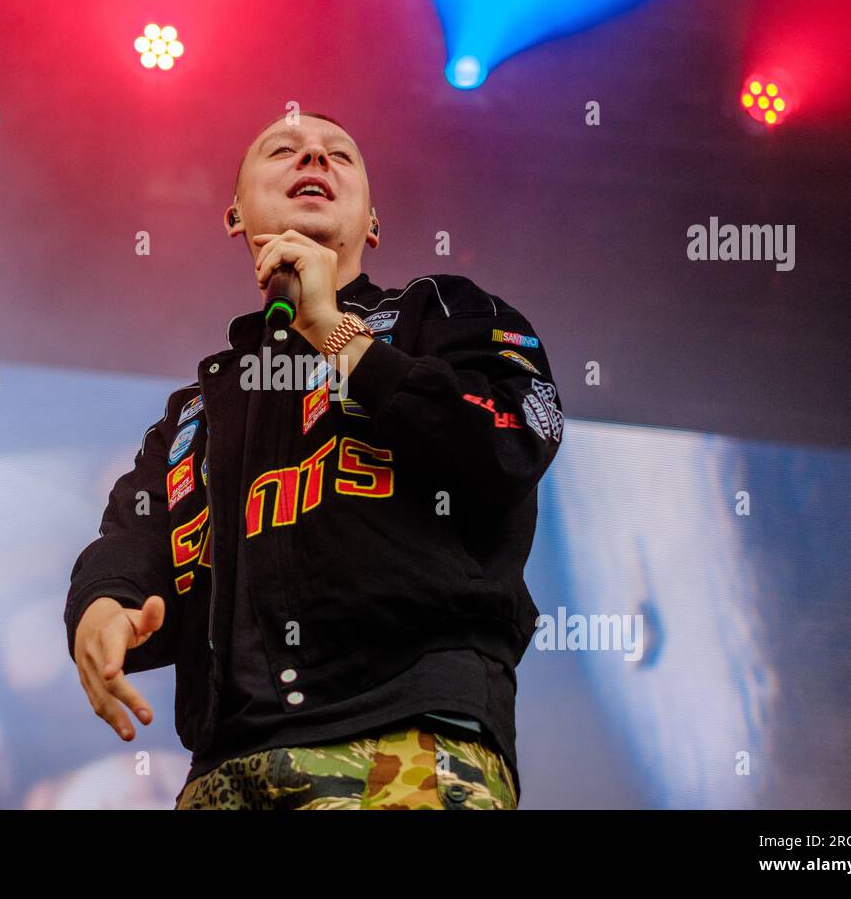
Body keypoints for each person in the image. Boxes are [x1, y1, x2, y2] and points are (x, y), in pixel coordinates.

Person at [65, 112, 563, 809]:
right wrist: (101, 608)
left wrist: (337, 335)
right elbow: (132, 541)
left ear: (374, 221)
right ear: (235, 214)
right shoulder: (194, 415)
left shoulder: (444, 314)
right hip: (222, 772)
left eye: (339, 156)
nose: (314, 158)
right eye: (285, 149)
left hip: (405, 739)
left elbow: (512, 438)